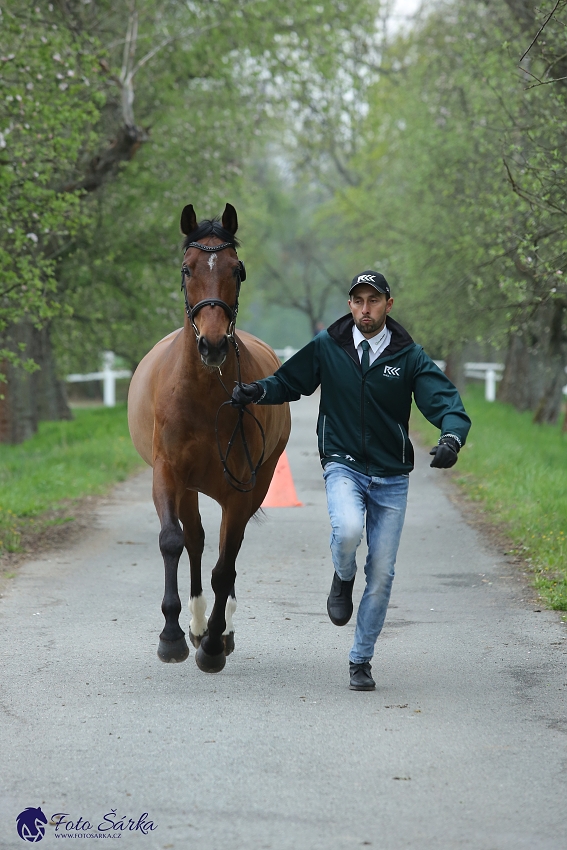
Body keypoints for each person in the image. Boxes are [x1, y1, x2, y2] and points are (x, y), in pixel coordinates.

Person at [232, 270, 471, 691]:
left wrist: (451, 436)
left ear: (388, 305)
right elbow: (290, 380)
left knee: (381, 574)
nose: (365, 308)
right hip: (343, 464)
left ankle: (361, 659)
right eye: (358, 300)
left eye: (374, 301)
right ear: (349, 305)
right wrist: (256, 392)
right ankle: (342, 577)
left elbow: (445, 401)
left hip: (392, 477)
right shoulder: (330, 346)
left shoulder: (408, 356)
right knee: (347, 531)